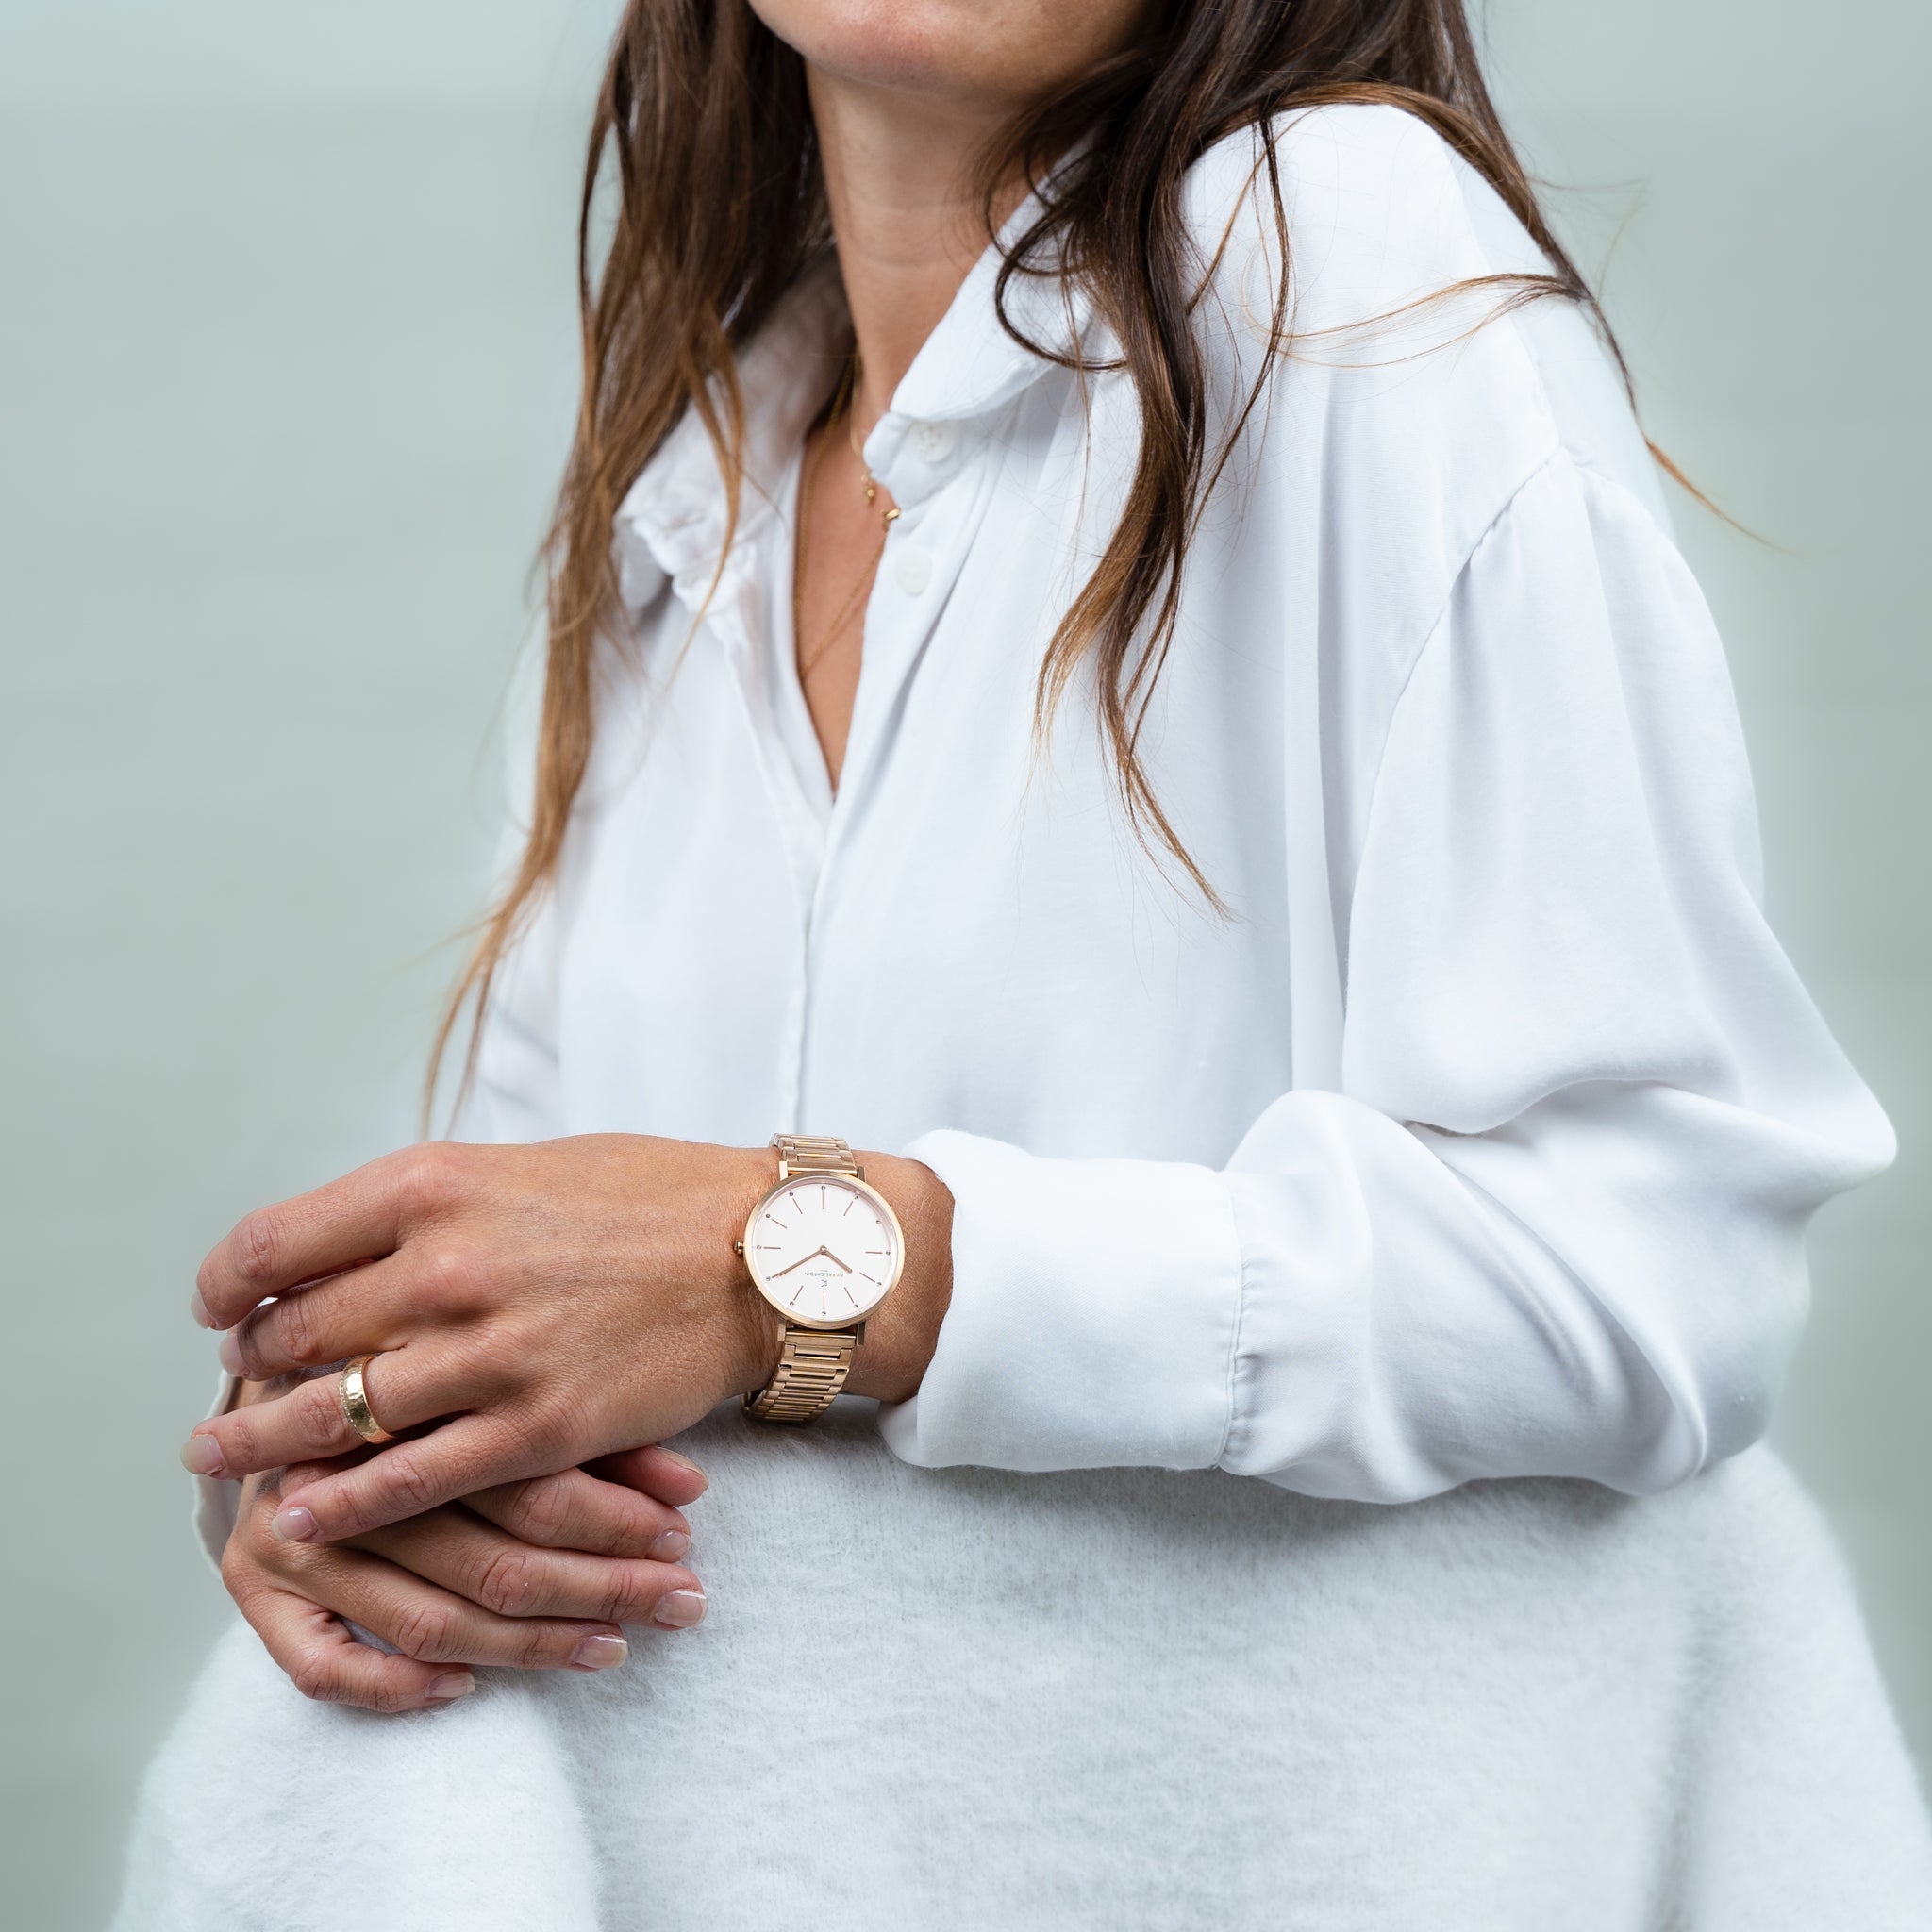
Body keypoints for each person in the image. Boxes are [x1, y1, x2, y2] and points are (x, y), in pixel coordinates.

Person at [117, 2, 1932, 1926]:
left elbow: (1653, 1263)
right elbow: (549, 1317)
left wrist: (813, 1262)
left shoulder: (1341, 245)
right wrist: (350, 1486)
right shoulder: (695, 484)